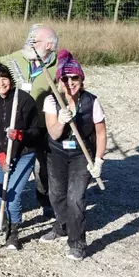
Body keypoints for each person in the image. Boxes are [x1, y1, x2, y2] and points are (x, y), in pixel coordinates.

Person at [0, 24, 61, 219]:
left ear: (48, 45)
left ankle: (46, 202)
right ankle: (2, 200)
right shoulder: (18, 58)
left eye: (33, 40)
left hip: (42, 125)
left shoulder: (56, 68)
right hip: (14, 123)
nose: (28, 42)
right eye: (29, 38)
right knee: (4, 162)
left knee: (43, 168)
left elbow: (65, 92)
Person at [40, 52, 107, 261]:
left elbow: (101, 133)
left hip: (82, 154)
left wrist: (98, 160)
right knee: (56, 196)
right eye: (65, 79)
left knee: (75, 199)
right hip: (57, 153)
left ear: (81, 79)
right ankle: (62, 227)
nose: (70, 83)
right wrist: (61, 119)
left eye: (74, 78)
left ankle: (77, 243)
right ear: (59, 81)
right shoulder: (52, 101)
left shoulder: (91, 102)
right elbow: (54, 133)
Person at [0, 63, 43, 250]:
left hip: (23, 154)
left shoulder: (24, 100)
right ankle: (3, 223)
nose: (1, 82)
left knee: (12, 195)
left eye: (4, 78)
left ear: (11, 79)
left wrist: (21, 135)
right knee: (1, 192)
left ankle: (14, 231)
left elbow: (36, 132)